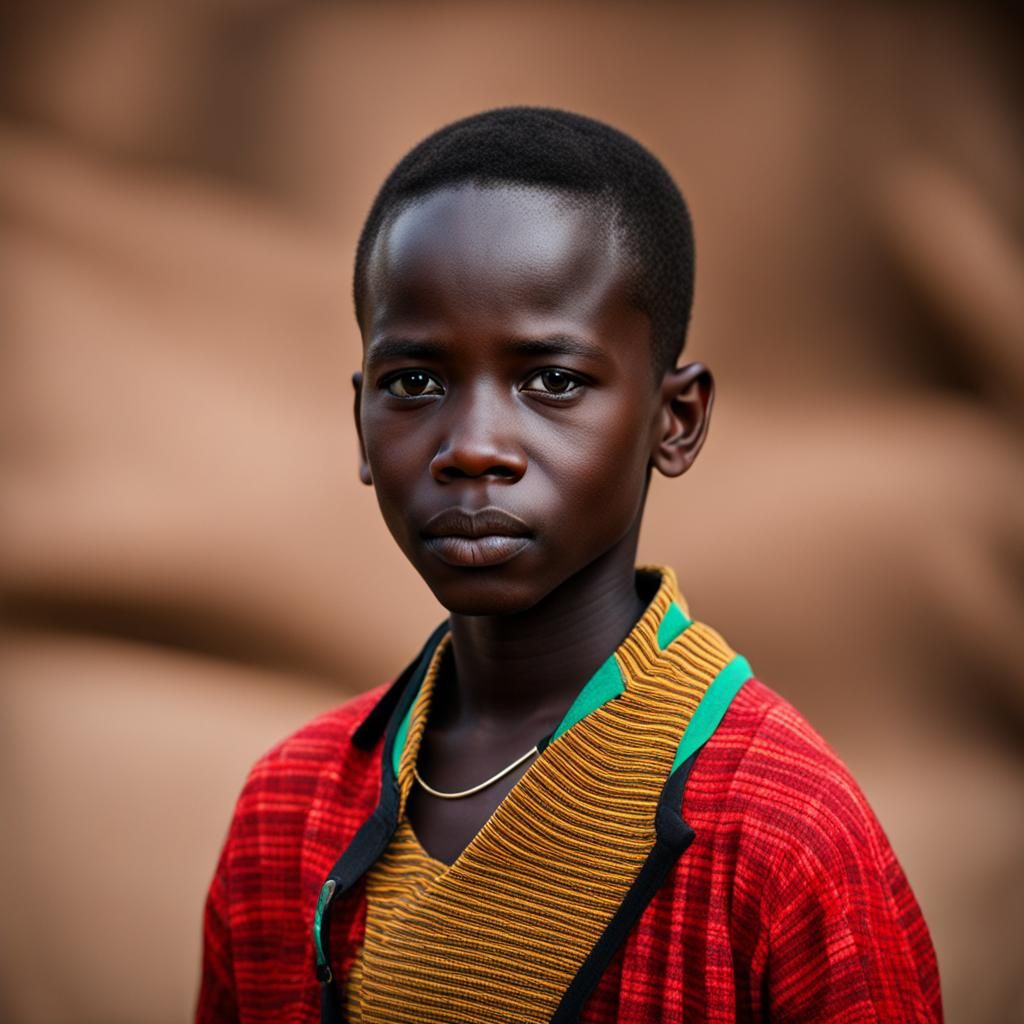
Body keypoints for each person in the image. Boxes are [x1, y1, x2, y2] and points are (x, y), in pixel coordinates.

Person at [196, 107, 942, 1023]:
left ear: (677, 421)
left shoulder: (783, 836)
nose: (472, 447)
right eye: (414, 382)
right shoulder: (288, 811)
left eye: (551, 380)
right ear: (359, 420)